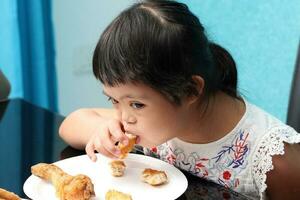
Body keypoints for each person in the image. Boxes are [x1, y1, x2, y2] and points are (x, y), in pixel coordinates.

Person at [59, 0, 300, 199]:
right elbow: (72, 123)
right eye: (113, 100)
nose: (123, 118)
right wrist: (102, 132)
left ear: (191, 90)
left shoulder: (276, 163)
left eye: (136, 104)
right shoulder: (149, 117)